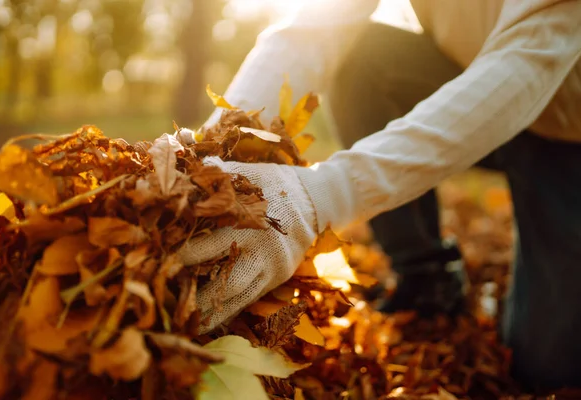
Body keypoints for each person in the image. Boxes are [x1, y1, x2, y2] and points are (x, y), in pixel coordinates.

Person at [179, 0, 581, 390]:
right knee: (363, 58)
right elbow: (315, 26)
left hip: (568, 134)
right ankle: (428, 279)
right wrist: (213, 152)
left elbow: (526, 61)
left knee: (547, 369)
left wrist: (320, 197)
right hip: (471, 83)